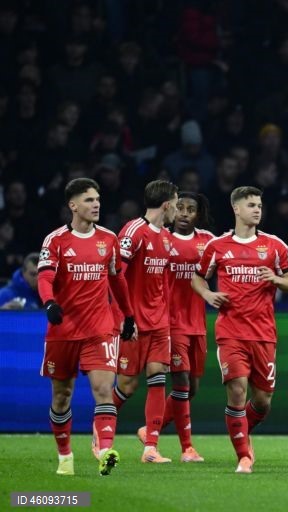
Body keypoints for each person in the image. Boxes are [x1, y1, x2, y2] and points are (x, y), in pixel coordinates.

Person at [191, 186, 288, 474]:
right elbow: (198, 278)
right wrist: (207, 295)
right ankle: (244, 457)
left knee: (262, 402)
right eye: (251, 204)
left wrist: (276, 279)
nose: (257, 209)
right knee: (237, 391)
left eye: (260, 205)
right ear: (236, 209)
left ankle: (241, 430)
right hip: (230, 332)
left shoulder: (275, 246)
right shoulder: (217, 246)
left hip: (263, 333)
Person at [37, 177, 136, 476]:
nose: (96, 205)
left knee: (104, 389)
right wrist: (50, 303)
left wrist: (128, 316)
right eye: (89, 200)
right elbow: (44, 277)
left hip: (100, 327)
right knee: (61, 395)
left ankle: (104, 450)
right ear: (73, 205)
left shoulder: (108, 239)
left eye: (97, 199)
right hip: (64, 330)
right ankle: (65, 456)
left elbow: (117, 279)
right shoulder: (55, 240)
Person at [136, 192, 214, 462]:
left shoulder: (208, 241)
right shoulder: (162, 239)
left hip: (198, 323)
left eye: (190, 209)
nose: (183, 213)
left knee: (191, 388)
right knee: (180, 382)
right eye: (179, 207)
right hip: (170, 322)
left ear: (198, 214)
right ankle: (187, 448)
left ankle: (149, 429)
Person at [113, 180, 178, 463]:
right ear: (166, 204)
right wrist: (124, 317)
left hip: (158, 322)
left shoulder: (165, 237)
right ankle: (99, 426)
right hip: (133, 322)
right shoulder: (133, 231)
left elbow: (162, 282)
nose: (177, 209)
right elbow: (115, 274)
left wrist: (165, 315)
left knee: (158, 376)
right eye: (176, 203)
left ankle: (150, 447)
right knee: (128, 385)